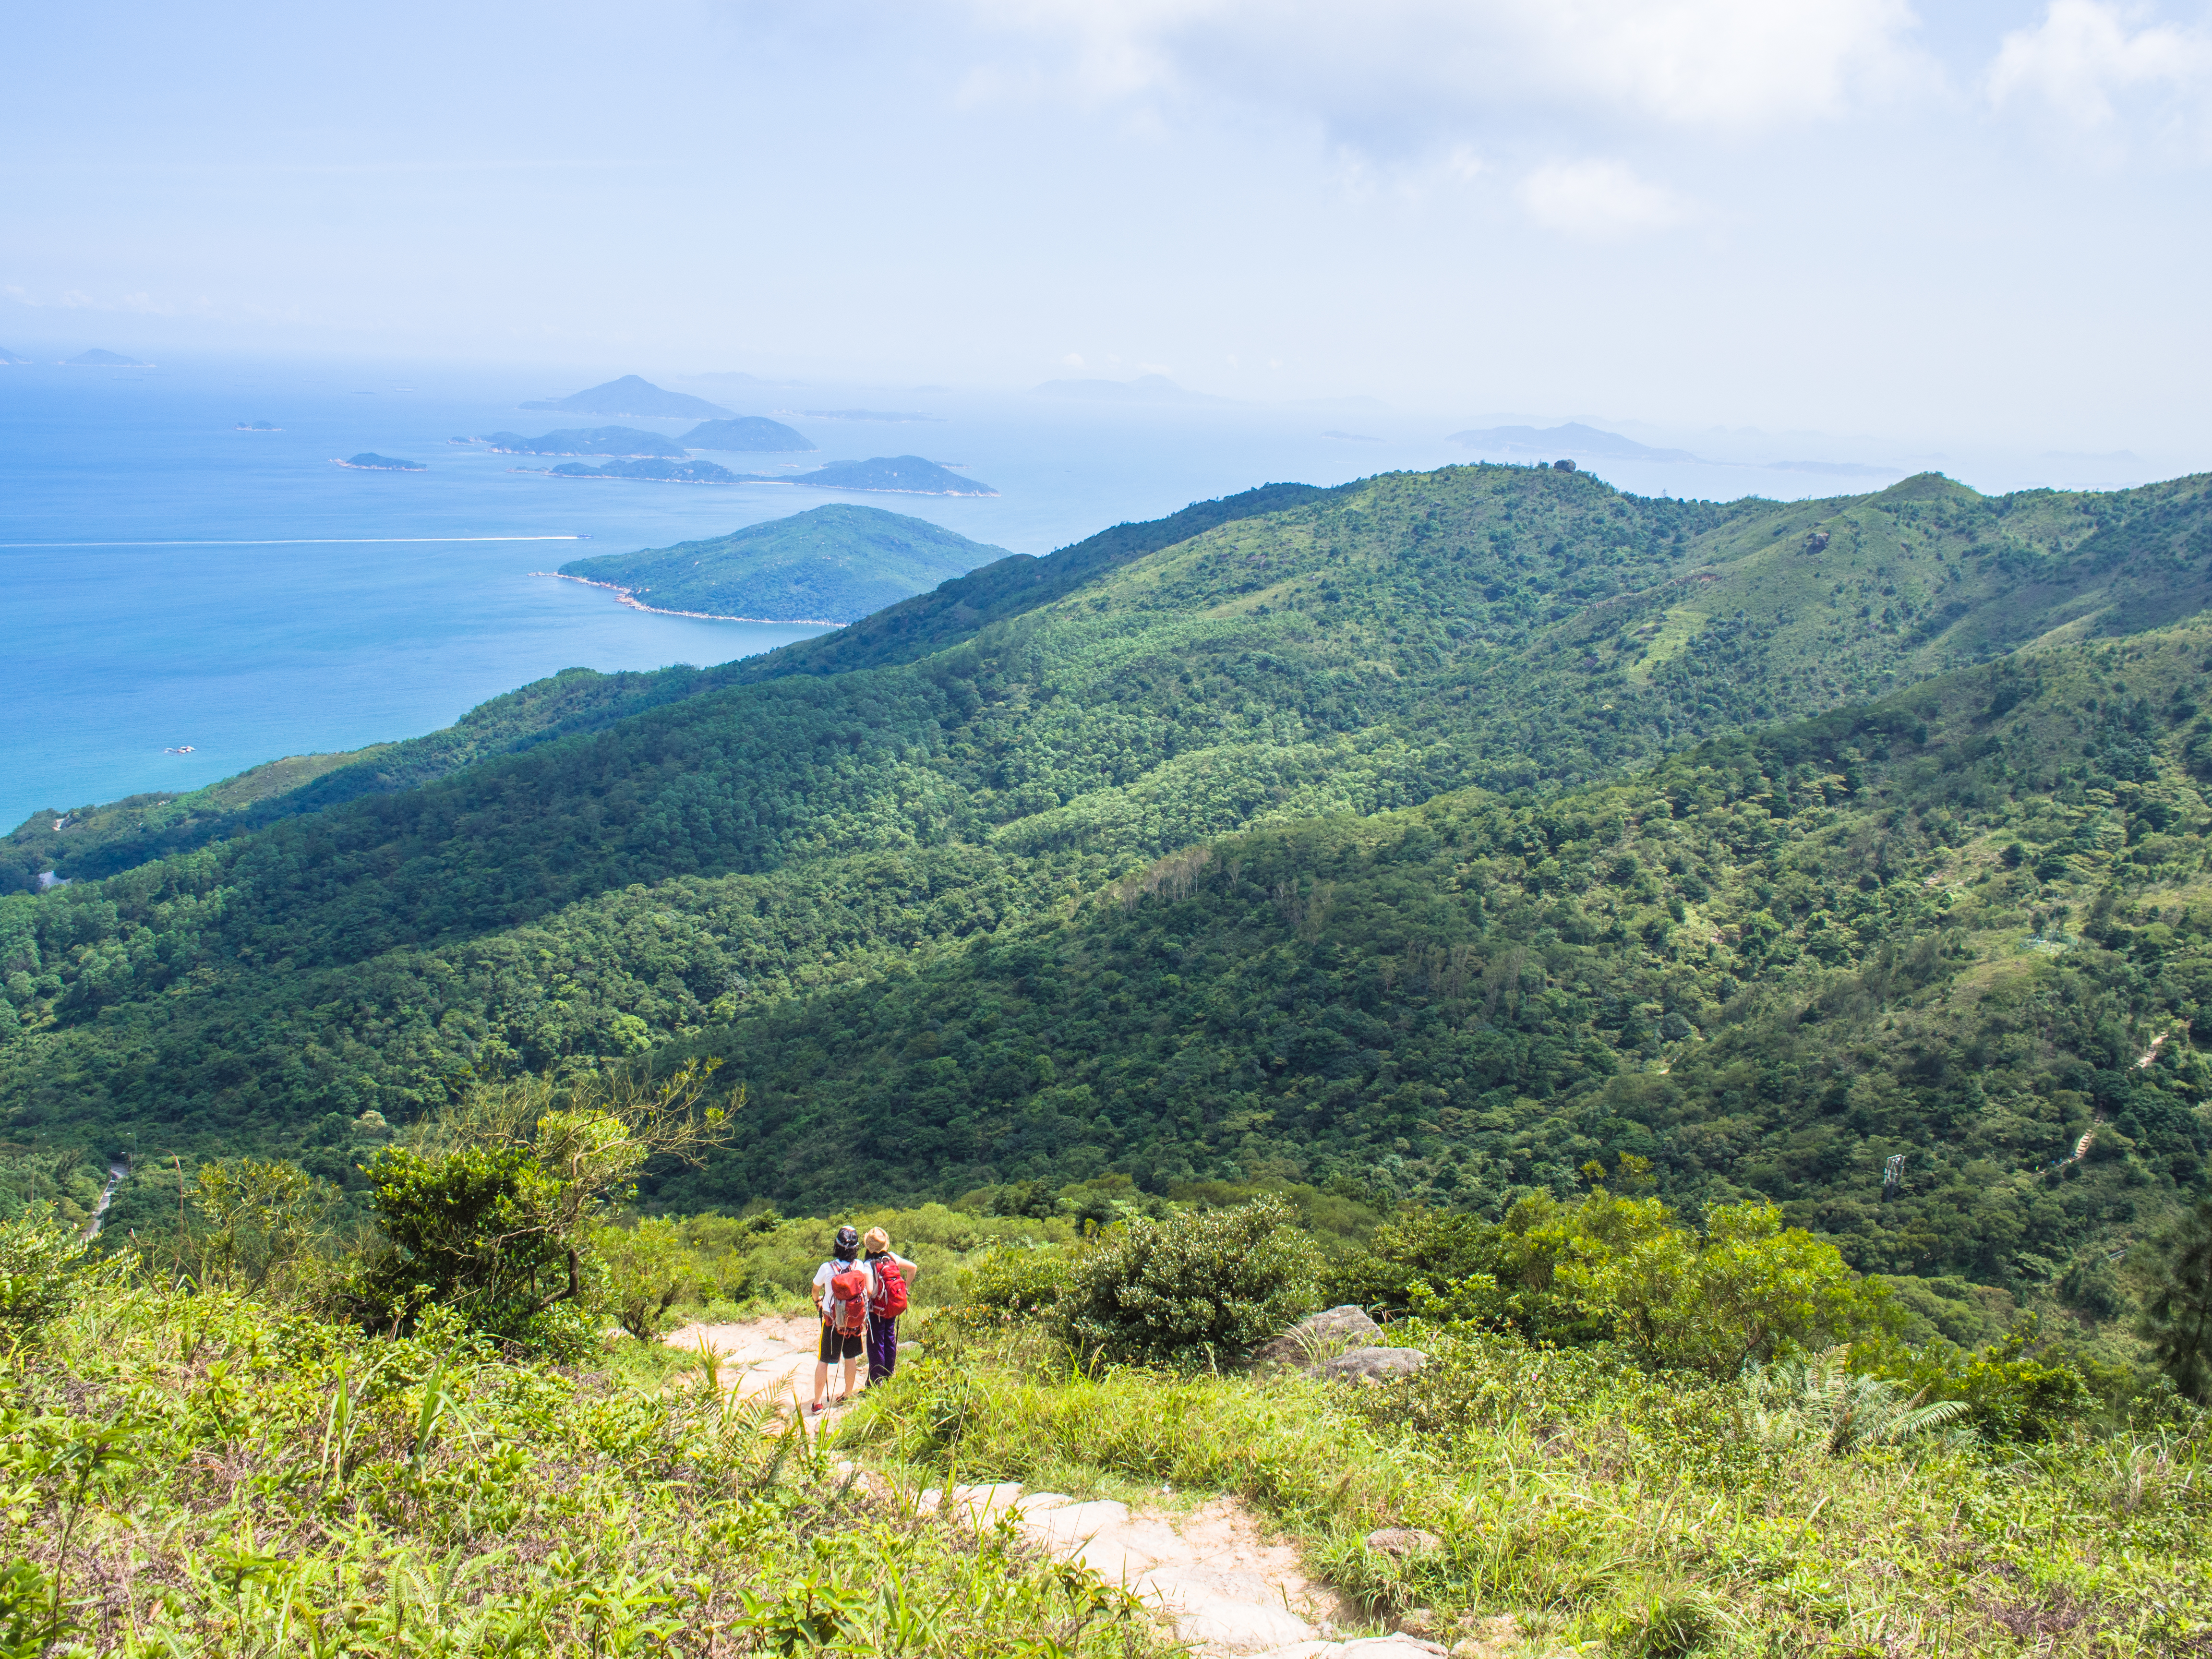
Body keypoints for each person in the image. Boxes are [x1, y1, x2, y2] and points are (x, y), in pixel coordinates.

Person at [809, 1224, 872, 1415]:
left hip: (831, 1321)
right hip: (854, 1321)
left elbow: (815, 1289)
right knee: (850, 1358)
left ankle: (818, 1403)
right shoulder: (860, 1266)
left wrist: (817, 1301)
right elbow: (867, 1290)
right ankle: (847, 1394)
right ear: (856, 1249)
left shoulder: (827, 1268)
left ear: (836, 1246)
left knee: (824, 1360)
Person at [861, 1226, 920, 1384]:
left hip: (877, 1310)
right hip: (892, 1306)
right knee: (890, 1338)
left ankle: (876, 1381)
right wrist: (905, 1287)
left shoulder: (868, 1264)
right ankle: (888, 1376)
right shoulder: (892, 1258)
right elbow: (913, 1268)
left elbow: (870, 1290)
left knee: (876, 1344)